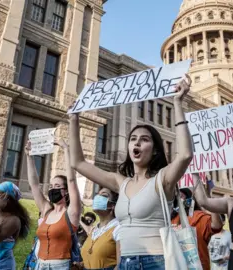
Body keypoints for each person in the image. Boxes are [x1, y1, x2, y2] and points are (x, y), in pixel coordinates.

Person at [69, 74, 194, 269]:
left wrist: (177, 103)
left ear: (154, 151)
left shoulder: (163, 180)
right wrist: (74, 119)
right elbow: (77, 162)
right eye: (133, 138)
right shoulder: (121, 182)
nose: (137, 141)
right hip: (125, 262)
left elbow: (185, 154)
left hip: (155, 261)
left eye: (144, 139)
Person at [25, 138, 83, 270]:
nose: (52, 189)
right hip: (39, 264)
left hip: (60, 266)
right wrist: (29, 156)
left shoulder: (71, 213)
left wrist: (66, 149)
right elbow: (34, 185)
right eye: (51, 186)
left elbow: (72, 180)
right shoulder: (46, 210)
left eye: (57, 186)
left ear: (66, 191)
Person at [171, 188, 223, 270]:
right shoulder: (171, 219)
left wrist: (211, 204)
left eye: (180, 196)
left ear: (189, 200)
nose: (177, 200)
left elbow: (216, 226)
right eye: (175, 197)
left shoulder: (198, 216)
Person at [81, 188, 120, 270]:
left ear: (112, 206)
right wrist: (80, 265)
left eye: (104, 195)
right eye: (98, 195)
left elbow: (121, 264)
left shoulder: (118, 228)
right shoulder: (95, 229)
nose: (98, 198)